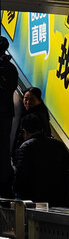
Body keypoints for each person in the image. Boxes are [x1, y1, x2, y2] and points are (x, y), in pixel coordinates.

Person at [13, 113, 69, 206]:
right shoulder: (58, 145)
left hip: (35, 202)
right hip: (58, 199)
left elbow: (20, 177)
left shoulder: (26, 147)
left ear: (24, 131)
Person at [0, 36, 18, 198]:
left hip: (3, 111)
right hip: (6, 112)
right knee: (4, 147)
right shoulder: (12, 69)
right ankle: (5, 181)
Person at [12, 86, 51, 156]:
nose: (28, 102)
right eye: (26, 99)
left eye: (32, 99)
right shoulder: (30, 112)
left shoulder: (37, 117)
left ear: (39, 100)